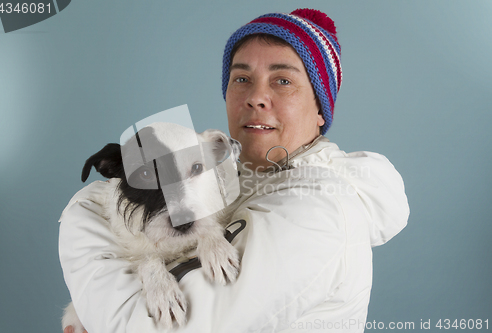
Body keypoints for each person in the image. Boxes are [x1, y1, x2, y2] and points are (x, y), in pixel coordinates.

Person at [60, 8, 409, 333]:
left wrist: (82, 220)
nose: (256, 97)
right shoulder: (229, 178)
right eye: (242, 78)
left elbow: (147, 325)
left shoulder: (320, 210)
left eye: (283, 81)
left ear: (321, 109)